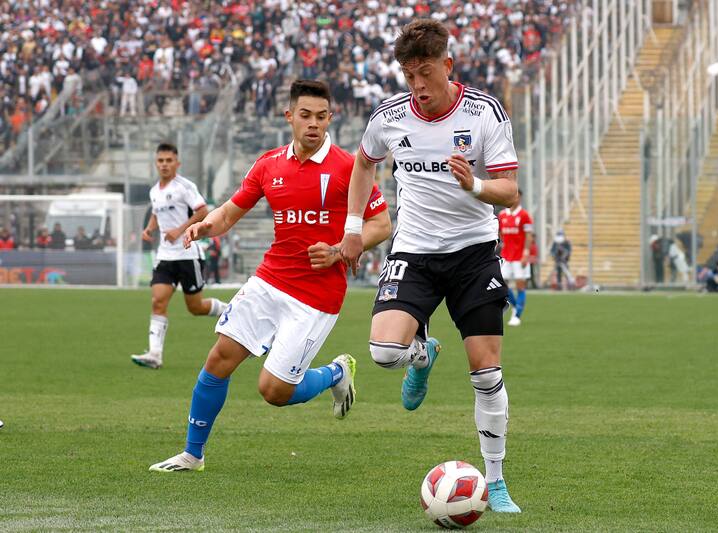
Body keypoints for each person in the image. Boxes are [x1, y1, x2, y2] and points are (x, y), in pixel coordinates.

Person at [148, 80, 391, 473]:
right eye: (305, 115)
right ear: (289, 116)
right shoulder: (268, 164)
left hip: (317, 296)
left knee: (274, 391)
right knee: (219, 360)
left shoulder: (349, 167)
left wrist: (342, 250)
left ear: (330, 118)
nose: (313, 124)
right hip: (269, 281)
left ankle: (336, 372)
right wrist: (203, 226)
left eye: (321, 116)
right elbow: (228, 213)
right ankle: (193, 454)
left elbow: (381, 224)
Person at [340, 19, 522, 513]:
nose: (418, 86)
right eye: (408, 75)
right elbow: (363, 163)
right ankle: (422, 354)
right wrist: (353, 228)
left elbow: (509, 191)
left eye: (425, 73)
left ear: (448, 65)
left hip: (473, 252)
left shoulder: (485, 112)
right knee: (381, 352)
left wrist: (476, 187)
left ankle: (497, 480)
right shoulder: (390, 116)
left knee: (486, 373)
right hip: (414, 251)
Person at [130, 143, 227, 370]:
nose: (164, 165)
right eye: (161, 161)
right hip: (165, 256)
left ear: (177, 163)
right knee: (158, 301)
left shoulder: (185, 186)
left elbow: (202, 211)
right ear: (156, 163)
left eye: (168, 160)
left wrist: (180, 230)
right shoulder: (155, 191)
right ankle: (155, 354)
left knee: (195, 307)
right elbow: (157, 212)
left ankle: (230, 311)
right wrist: (150, 228)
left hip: (188, 253)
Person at [498, 190, 533, 326]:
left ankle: (517, 316)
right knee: (502, 284)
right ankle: (514, 306)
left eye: (517, 196)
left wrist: (526, 253)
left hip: (520, 257)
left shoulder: (524, 215)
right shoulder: (502, 215)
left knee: (520, 286)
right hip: (506, 256)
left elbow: (529, 236)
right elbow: (500, 232)